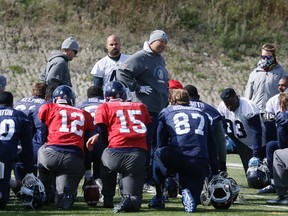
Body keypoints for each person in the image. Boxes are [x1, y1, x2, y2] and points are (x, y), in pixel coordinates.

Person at [148, 89, 218, 213]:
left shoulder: (166, 112)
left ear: (172, 100)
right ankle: (187, 192)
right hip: (199, 160)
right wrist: (215, 168)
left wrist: (168, 172)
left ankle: (159, 195)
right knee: (193, 197)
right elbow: (212, 143)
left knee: (158, 153)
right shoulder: (202, 113)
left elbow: (160, 141)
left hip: (177, 156)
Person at [86, 81, 151, 213]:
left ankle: (108, 197)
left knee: (105, 163)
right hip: (136, 155)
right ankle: (128, 199)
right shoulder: (140, 106)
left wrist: (106, 146)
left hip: (114, 153)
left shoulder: (104, 107)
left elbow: (102, 130)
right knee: (135, 199)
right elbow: (145, 130)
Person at [116, 29, 169, 183]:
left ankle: (153, 178)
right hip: (145, 110)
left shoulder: (159, 59)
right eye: (161, 41)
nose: (163, 45)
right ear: (152, 41)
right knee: (144, 145)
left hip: (159, 109)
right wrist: (137, 87)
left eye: (165, 42)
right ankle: (141, 177)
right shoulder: (141, 56)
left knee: (156, 146)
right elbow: (122, 72)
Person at [37, 85, 95, 209]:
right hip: (74, 159)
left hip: (51, 155)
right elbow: (87, 146)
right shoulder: (84, 114)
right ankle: (66, 195)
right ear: (72, 100)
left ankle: (44, 190)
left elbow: (43, 133)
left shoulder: (49, 107)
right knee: (62, 197)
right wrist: (88, 171)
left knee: (41, 148)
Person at [218, 87, 266, 173]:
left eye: (231, 103)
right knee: (250, 177)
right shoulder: (222, 106)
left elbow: (256, 132)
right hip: (242, 143)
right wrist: (233, 139)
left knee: (258, 177)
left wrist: (256, 154)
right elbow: (223, 126)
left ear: (236, 97)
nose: (229, 107)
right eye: (227, 104)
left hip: (259, 144)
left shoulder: (248, 107)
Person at [0, 91, 34, 209]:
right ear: (12, 103)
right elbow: (27, 147)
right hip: (4, 157)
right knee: (1, 201)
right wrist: (30, 170)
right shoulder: (20, 116)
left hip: (4, 158)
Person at [184, 84, 227, 172]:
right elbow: (221, 140)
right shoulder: (213, 111)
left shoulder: (174, 109)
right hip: (205, 155)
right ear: (198, 97)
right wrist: (222, 164)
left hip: (182, 152)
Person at [244, 44, 287, 113]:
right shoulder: (255, 73)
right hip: (257, 111)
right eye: (263, 57)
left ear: (273, 56)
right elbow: (248, 94)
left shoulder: (281, 72)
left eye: (268, 57)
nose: (265, 59)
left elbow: (285, 94)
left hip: (274, 111)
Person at [259, 92, 288, 194]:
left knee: (274, 150)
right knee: (272, 146)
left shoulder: (283, 116)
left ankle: (277, 184)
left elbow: (282, 144)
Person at [76, 86, 105, 181]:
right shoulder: (107, 104)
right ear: (102, 95)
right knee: (99, 164)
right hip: (101, 140)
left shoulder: (79, 105)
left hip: (84, 142)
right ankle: (98, 182)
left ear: (88, 96)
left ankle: (87, 179)